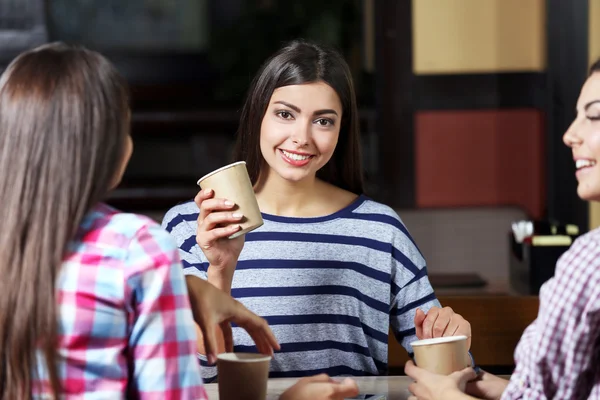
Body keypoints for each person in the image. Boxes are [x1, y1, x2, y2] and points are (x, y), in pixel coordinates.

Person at [0, 42, 358, 400]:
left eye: (324, 120)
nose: (302, 136)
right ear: (109, 147)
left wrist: (197, 281)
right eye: (126, 128)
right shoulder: (135, 246)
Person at [163, 39, 472, 383]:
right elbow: (191, 377)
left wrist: (452, 341)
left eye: (323, 121)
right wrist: (220, 270)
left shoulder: (381, 230)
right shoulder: (188, 226)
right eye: (285, 114)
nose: (302, 137)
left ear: (341, 130)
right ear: (258, 115)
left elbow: (447, 378)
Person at [404, 59, 600, 399]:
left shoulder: (590, 259)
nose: (570, 134)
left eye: (594, 115)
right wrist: (481, 382)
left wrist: (446, 396)